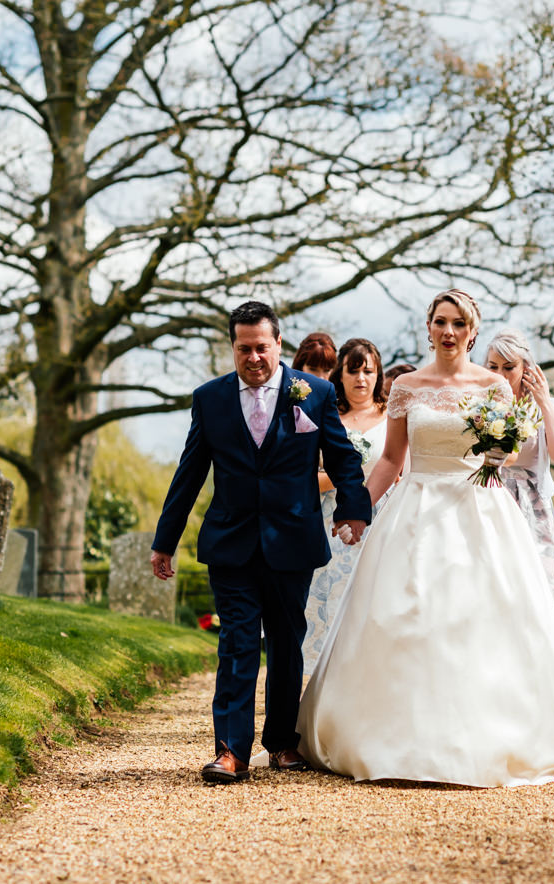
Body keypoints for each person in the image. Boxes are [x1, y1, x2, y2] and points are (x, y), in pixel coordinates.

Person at [296, 290, 554, 787]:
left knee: (486, 617)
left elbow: (508, 456)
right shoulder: (405, 386)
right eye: (441, 322)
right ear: (429, 328)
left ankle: (495, 731)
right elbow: (390, 461)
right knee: (406, 614)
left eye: (459, 323)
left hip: (481, 508)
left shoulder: (494, 386)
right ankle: (398, 736)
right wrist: (355, 507)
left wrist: (495, 451)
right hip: (416, 509)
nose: (449, 332)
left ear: (472, 330)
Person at [150, 301, 369, 784]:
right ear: (233, 348)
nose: (253, 357)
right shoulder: (210, 399)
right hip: (231, 542)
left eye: (262, 348)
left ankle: (283, 741)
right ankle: (230, 751)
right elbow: (189, 474)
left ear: (278, 346)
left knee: (288, 645)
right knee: (238, 643)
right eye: (244, 348)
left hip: (293, 539)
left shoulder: (314, 393)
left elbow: (343, 457)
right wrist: (165, 540)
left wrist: (354, 509)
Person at [301, 337, 392, 672]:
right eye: (353, 371)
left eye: (369, 370)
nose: (361, 379)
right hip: (330, 521)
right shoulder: (327, 414)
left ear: (379, 374)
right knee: (327, 604)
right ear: (340, 374)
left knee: (374, 604)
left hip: (382, 520)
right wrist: (342, 476)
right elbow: (306, 473)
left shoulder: (392, 416)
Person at [485, 328, 554, 613]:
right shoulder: (480, 407)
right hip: (489, 497)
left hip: (532, 503)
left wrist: (544, 402)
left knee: (536, 584)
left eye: (509, 367)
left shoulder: (545, 408)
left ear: (526, 368)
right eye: (493, 367)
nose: (500, 374)